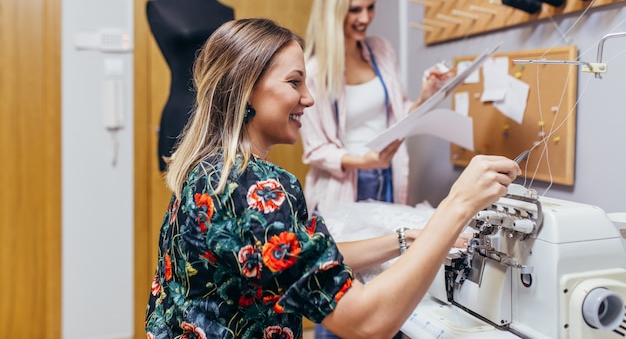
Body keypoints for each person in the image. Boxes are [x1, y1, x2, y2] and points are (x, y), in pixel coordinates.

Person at [144, 17, 521, 339]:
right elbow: (367, 322)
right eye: (295, 82)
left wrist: (406, 238)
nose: (309, 99)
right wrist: (457, 205)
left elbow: (300, 256)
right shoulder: (257, 189)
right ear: (246, 88)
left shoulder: (210, 170)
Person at [300, 0, 452, 216]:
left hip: (387, 176)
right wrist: (363, 162)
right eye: (355, 9)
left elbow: (397, 117)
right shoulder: (313, 71)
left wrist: (425, 96)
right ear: (333, 10)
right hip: (342, 186)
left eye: (371, 7)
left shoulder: (381, 50)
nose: (366, 18)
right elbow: (316, 149)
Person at [146, 0, 235, 171]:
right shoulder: (158, 7)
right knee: (180, 194)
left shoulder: (225, 11)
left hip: (216, 113)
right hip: (180, 111)